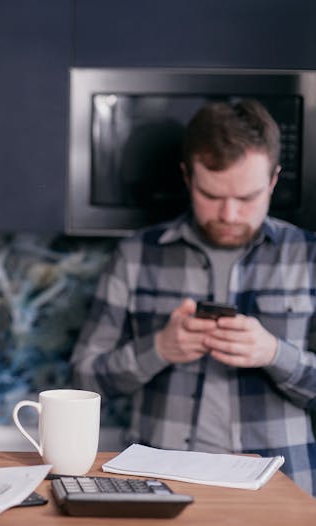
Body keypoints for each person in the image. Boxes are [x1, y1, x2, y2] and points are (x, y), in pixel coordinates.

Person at [71, 99, 316, 496]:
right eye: (212, 195)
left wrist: (274, 353)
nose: (231, 214)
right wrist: (159, 348)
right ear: (188, 178)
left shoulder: (309, 255)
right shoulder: (136, 256)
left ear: (273, 180)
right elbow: (83, 377)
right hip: (159, 488)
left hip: (282, 492)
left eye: (248, 197)